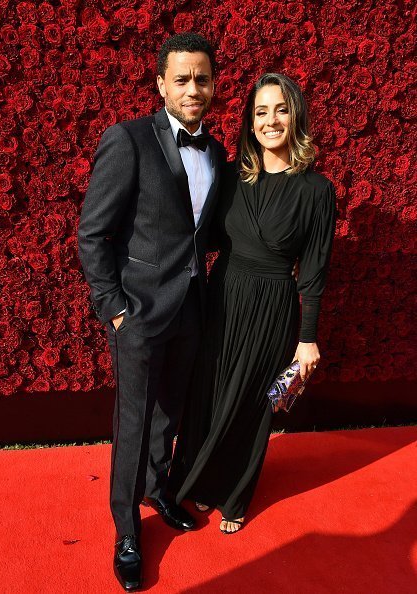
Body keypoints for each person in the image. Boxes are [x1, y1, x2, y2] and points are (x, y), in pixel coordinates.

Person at [78, 33, 225, 591]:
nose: (193, 88)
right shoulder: (129, 140)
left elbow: (199, 233)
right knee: (134, 422)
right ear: (161, 83)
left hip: (191, 305)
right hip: (137, 310)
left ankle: (158, 490)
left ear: (213, 85)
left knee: (170, 411)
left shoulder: (214, 151)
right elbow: (93, 233)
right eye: (182, 78)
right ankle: (126, 529)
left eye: (202, 79)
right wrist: (114, 309)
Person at [168, 73, 337, 535]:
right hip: (222, 296)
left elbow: (316, 272)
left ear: (296, 116)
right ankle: (199, 479)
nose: (270, 120)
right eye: (261, 111)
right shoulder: (232, 176)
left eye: (280, 109)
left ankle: (236, 495)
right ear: (250, 121)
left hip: (272, 306)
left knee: (250, 402)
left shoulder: (317, 191)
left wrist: (307, 340)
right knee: (210, 390)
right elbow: (202, 235)